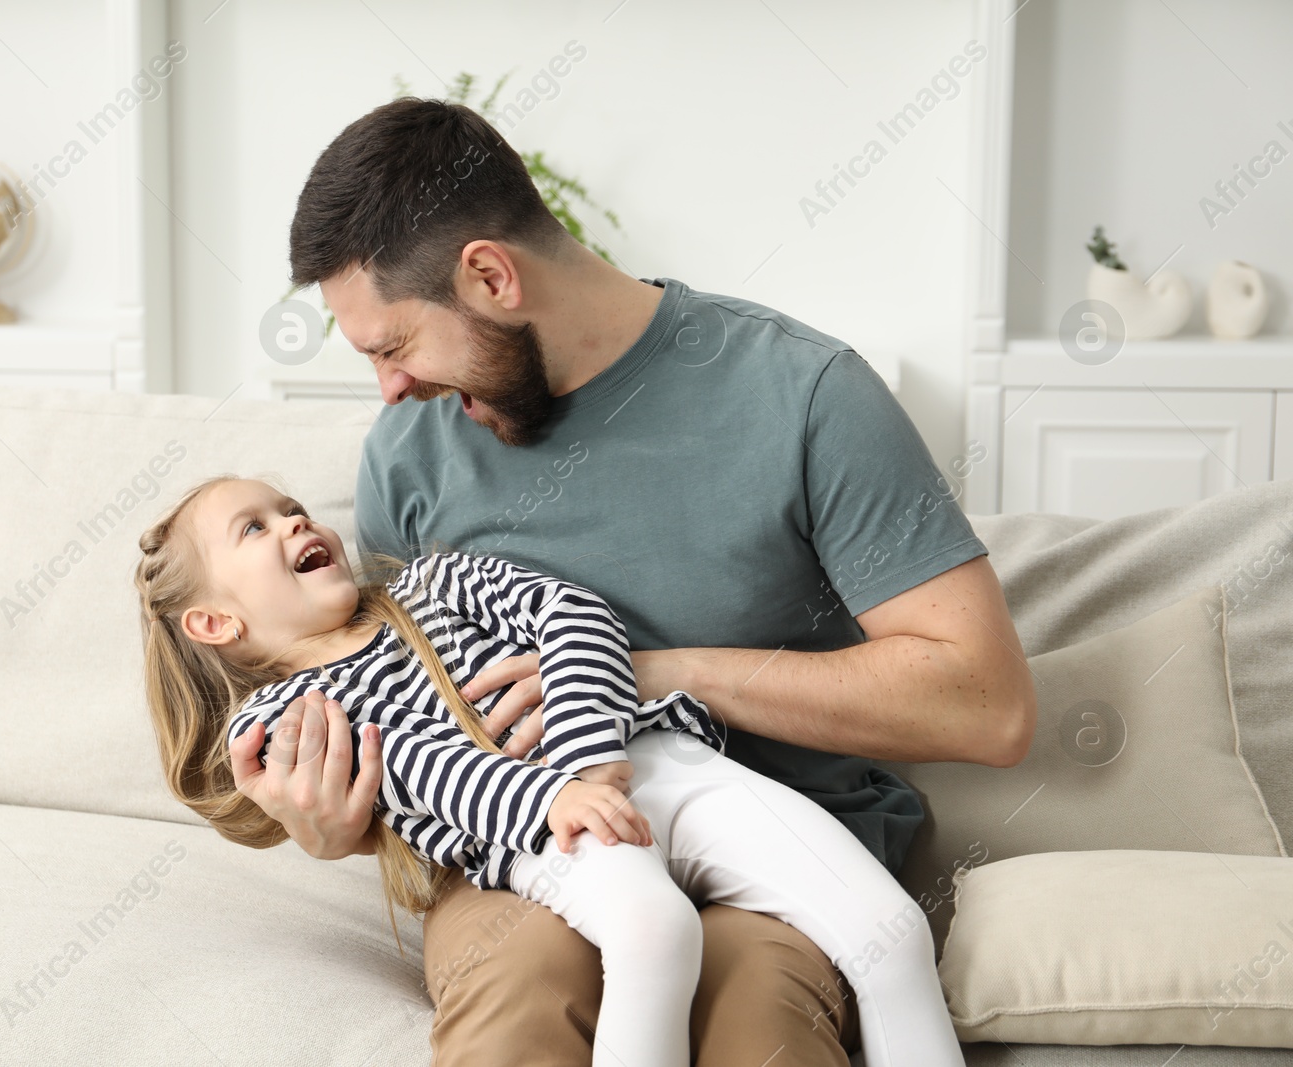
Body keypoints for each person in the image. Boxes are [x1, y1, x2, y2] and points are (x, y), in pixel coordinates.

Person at [233, 97, 1037, 1067]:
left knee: (755, 1012)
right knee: (521, 989)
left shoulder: (803, 392)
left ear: (490, 275)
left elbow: (985, 707)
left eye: (392, 346)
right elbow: (410, 721)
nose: (389, 390)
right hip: (530, 851)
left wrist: (646, 671)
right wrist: (338, 825)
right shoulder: (408, 451)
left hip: (777, 831)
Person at [134, 474, 968, 1067]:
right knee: (654, 931)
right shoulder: (277, 717)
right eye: (255, 527)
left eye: (291, 509)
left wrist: (589, 760)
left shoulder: (431, 581)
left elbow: (570, 612)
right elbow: (417, 769)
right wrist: (557, 796)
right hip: (535, 834)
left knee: (888, 933)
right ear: (215, 622)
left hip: (651, 762)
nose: (293, 522)